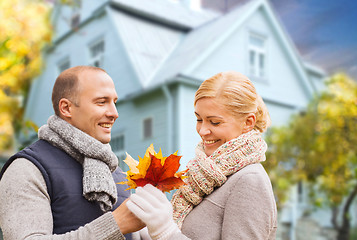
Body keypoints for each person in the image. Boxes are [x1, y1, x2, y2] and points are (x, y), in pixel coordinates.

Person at [126, 71, 277, 239]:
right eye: (199, 119)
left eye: (215, 122)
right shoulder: (202, 177)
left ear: (248, 122)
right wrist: (142, 228)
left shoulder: (250, 180)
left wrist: (166, 232)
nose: (202, 131)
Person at [0, 66, 145, 239]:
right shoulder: (27, 168)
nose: (114, 113)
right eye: (101, 102)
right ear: (66, 108)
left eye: (114, 102)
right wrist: (115, 225)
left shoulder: (117, 174)